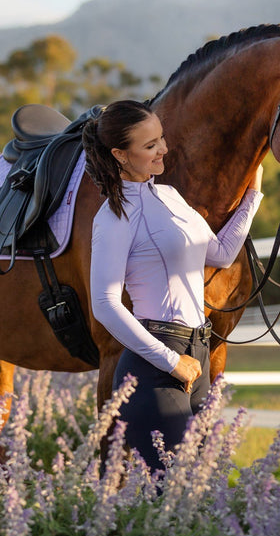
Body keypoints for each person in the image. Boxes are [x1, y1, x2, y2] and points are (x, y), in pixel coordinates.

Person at [82, 99, 263, 472]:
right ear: (119, 154)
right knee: (178, 491)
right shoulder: (114, 218)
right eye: (150, 146)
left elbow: (221, 253)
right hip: (156, 363)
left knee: (193, 495)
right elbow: (104, 303)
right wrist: (171, 362)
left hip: (196, 353)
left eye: (161, 138)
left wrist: (253, 196)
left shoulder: (169, 196)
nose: (163, 149)